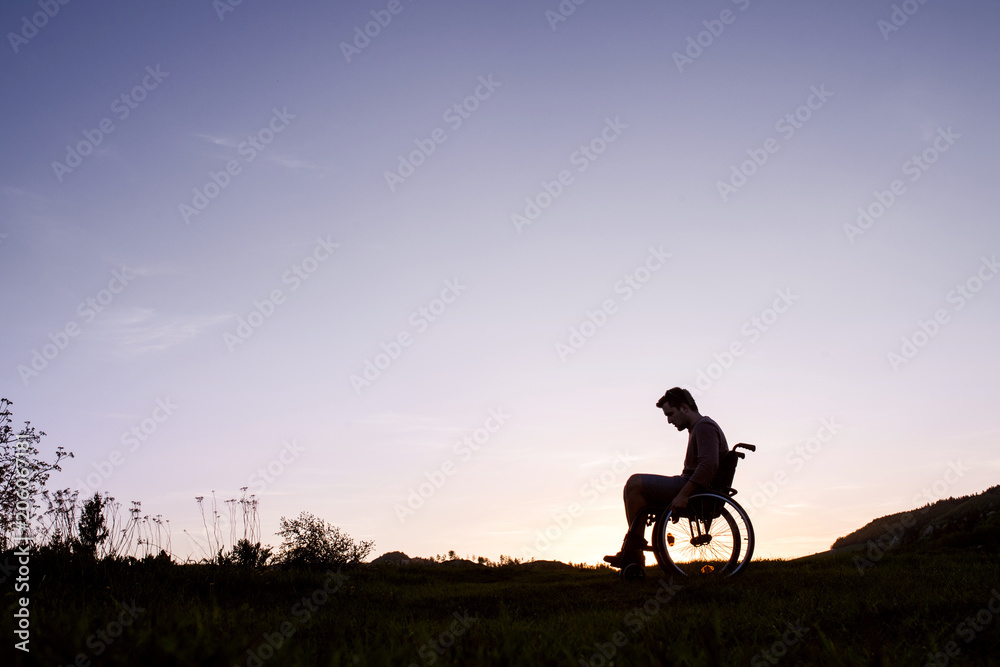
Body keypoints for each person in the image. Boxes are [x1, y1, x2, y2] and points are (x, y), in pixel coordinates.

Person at [604, 387, 729, 568]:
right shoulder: (698, 428)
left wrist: (683, 495)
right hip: (691, 484)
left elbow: (708, 466)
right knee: (635, 490)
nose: (669, 420)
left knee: (634, 483)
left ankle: (633, 553)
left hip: (693, 487)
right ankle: (632, 553)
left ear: (684, 408)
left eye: (670, 414)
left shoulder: (704, 427)